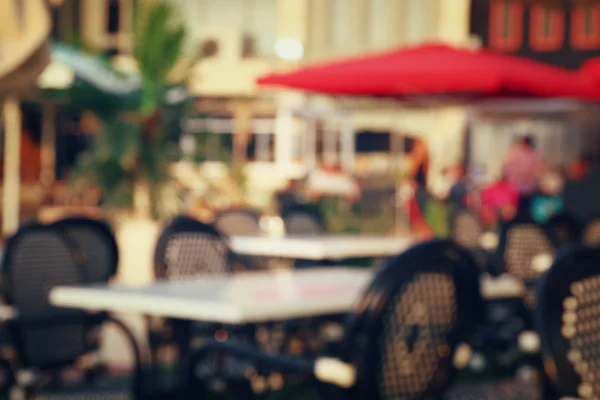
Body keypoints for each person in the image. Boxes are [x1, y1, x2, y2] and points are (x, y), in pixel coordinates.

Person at [501, 135, 547, 217]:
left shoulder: (512, 155)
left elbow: (504, 171)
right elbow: (541, 174)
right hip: (530, 191)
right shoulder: (536, 156)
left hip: (514, 190)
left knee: (513, 215)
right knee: (529, 214)